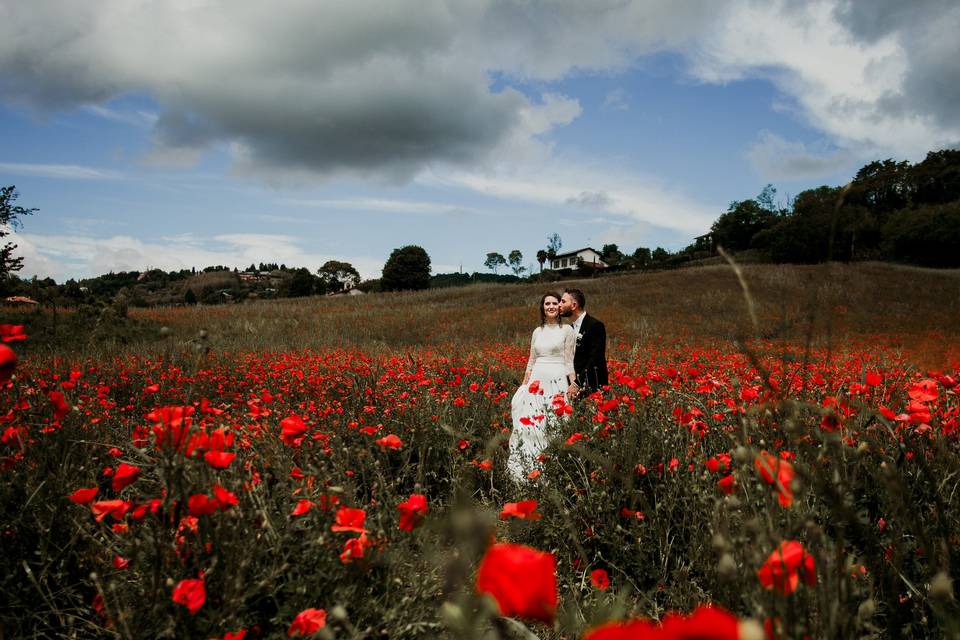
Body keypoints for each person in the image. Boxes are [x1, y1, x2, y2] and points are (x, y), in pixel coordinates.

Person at [508, 292, 576, 482]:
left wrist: (573, 384)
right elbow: (531, 359)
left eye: (555, 303)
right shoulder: (537, 331)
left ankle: (550, 470)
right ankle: (525, 469)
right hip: (536, 383)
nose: (551, 306)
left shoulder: (567, 330)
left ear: (560, 307)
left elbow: (569, 360)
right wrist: (524, 383)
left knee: (553, 423)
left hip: (557, 381)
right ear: (542, 307)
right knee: (531, 423)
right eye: (547, 304)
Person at [559, 288, 608, 399]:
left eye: (563, 301)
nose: (559, 305)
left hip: (592, 388)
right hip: (573, 389)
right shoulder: (569, 329)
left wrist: (578, 383)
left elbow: (596, 358)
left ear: (574, 305)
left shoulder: (595, 326)